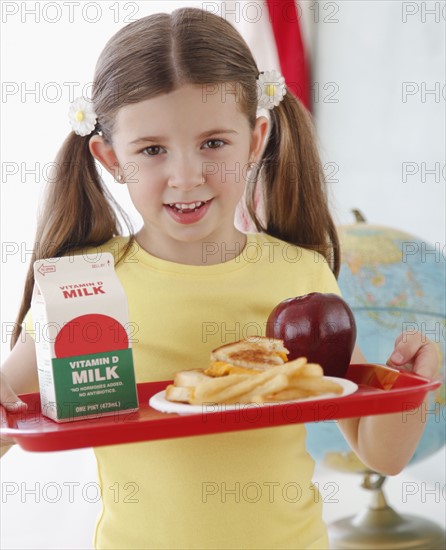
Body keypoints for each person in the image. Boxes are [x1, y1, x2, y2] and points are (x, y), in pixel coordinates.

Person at [0, 8, 440, 550]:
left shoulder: (300, 271)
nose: (187, 175)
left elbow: (383, 456)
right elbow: (11, 420)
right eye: (152, 150)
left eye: (214, 143)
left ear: (255, 140)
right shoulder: (81, 287)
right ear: (110, 158)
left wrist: (406, 389)